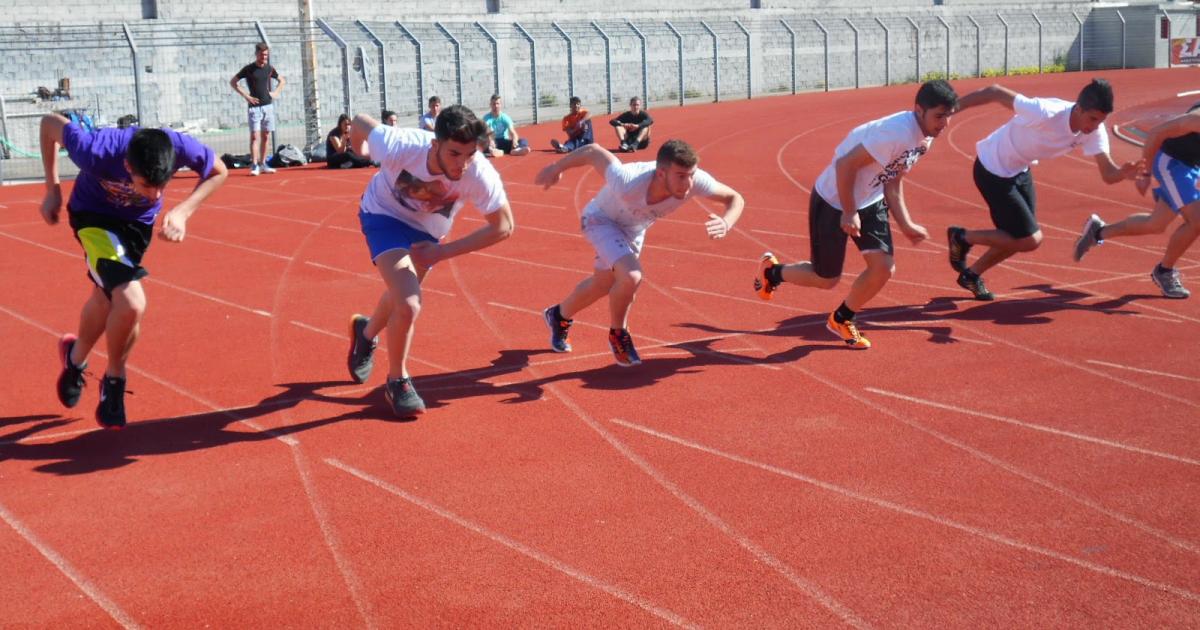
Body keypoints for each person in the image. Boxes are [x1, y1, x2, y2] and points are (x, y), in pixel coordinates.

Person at [39, 112, 228, 428]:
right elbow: (48, 124)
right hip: (94, 219)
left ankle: (74, 358)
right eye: (145, 185)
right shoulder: (94, 149)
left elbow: (218, 171)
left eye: (161, 186)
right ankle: (114, 381)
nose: (155, 195)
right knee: (132, 301)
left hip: (136, 228)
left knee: (108, 300)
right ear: (128, 167)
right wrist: (52, 188)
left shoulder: (177, 146)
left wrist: (182, 212)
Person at [753, 80, 958, 349]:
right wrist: (849, 212)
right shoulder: (894, 134)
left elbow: (892, 179)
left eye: (949, 117)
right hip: (834, 199)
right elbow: (845, 165)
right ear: (919, 110)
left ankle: (841, 318)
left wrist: (905, 223)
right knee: (826, 279)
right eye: (939, 116)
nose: (944, 124)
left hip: (869, 200)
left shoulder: (925, 139)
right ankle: (773, 274)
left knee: (883, 268)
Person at [345, 105, 515, 418]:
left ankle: (366, 334)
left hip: (428, 233)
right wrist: (361, 152)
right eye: (454, 154)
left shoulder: (479, 173)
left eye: (470, 154)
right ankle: (398, 381)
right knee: (408, 302)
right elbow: (358, 122)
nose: (462, 164)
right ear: (434, 144)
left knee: (401, 294)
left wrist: (441, 253)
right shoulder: (401, 144)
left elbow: (504, 227)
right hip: (383, 215)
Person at [535, 140, 744, 366]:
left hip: (633, 229)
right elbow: (593, 151)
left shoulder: (696, 182)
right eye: (681, 176)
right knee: (631, 276)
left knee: (603, 284)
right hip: (600, 220)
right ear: (661, 173)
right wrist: (556, 168)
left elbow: (735, 198)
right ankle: (618, 334)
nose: (689, 182)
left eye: (691, 174)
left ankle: (558, 315)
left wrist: (726, 222)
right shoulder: (628, 180)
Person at [945, 78, 1141, 300]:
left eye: (1101, 121)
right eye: (1092, 119)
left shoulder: (1094, 131)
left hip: (1020, 170)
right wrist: (951, 110)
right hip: (993, 168)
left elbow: (1108, 175)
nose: (1094, 126)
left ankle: (971, 274)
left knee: (1019, 237)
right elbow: (995, 92)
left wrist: (1123, 173)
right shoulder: (1045, 112)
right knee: (1030, 239)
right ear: (1078, 108)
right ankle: (962, 237)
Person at [1073, 102, 1200, 299]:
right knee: (1196, 220)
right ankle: (1164, 271)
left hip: (1189, 167)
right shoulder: (1197, 119)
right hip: (1171, 163)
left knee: (1156, 224)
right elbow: (1156, 133)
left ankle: (1098, 231)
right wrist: (1145, 173)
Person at [230, 42, 285, 176]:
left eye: (266, 55)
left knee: (265, 136)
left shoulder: (269, 68)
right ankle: (254, 164)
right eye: (261, 54)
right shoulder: (248, 69)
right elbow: (233, 82)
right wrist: (246, 96)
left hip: (268, 106)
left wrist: (276, 93)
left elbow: (282, 80)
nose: (264, 57)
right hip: (254, 108)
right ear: (256, 54)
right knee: (255, 136)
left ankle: (263, 163)